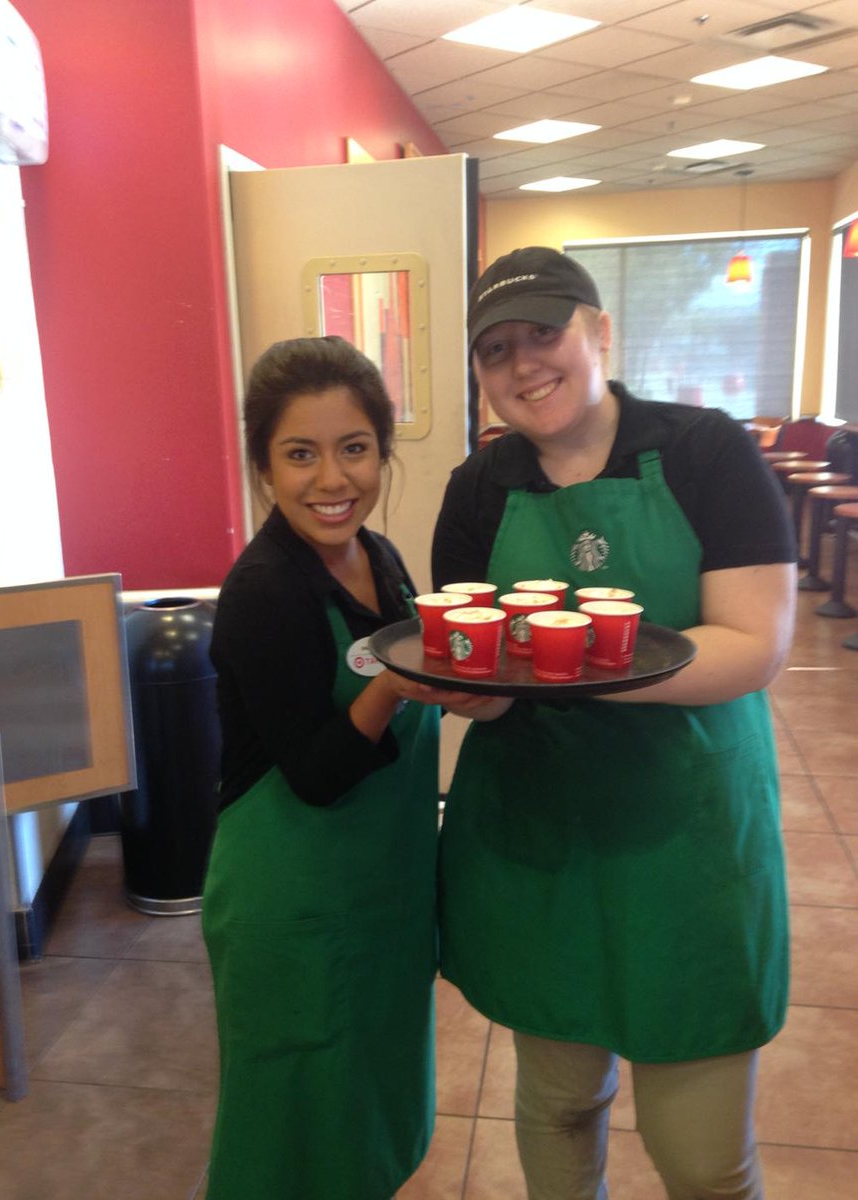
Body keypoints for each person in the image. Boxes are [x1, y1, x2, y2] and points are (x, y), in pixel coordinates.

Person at [431, 246, 797, 1200]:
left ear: (600, 333)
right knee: (557, 1106)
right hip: (540, 838)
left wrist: (572, 667)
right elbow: (485, 669)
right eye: (495, 349)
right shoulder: (479, 487)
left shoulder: (704, 450)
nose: (523, 364)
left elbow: (754, 645)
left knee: (702, 1161)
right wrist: (475, 690)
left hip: (687, 836)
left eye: (544, 333)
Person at [201, 335, 467, 1200]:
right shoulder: (264, 592)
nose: (332, 480)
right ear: (263, 467)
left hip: (382, 894)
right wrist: (396, 684)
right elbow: (315, 773)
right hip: (296, 905)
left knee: (366, 1103)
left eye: (354, 449)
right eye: (300, 454)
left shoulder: (380, 561)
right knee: (293, 1115)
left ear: (382, 451)